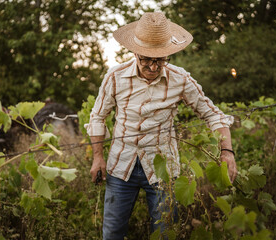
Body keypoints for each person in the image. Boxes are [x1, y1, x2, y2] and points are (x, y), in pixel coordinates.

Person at [85, 12, 237, 240]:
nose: (154, 67)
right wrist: (98, 157)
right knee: (112, 233)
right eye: (146, 59)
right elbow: (98, 117)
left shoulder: (181, 79)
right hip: (120, 166)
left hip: (163, 170)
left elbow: (213, 114)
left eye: (160, 59)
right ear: (135, 51)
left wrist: (227, 151)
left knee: (166, 233)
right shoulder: (115, 77)